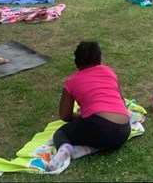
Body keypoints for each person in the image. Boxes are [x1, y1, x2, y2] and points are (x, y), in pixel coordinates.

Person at [46, 41, 131, 172]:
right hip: (124, 130)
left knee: (61, 133)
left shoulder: (72, 81)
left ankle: (65, 148)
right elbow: (121, 102)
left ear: (76, 62)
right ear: (100, 59)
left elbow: (65, 115)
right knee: (99, 134)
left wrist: (81, 116)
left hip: (100, 127)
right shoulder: (109, 72)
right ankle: (90, 147)